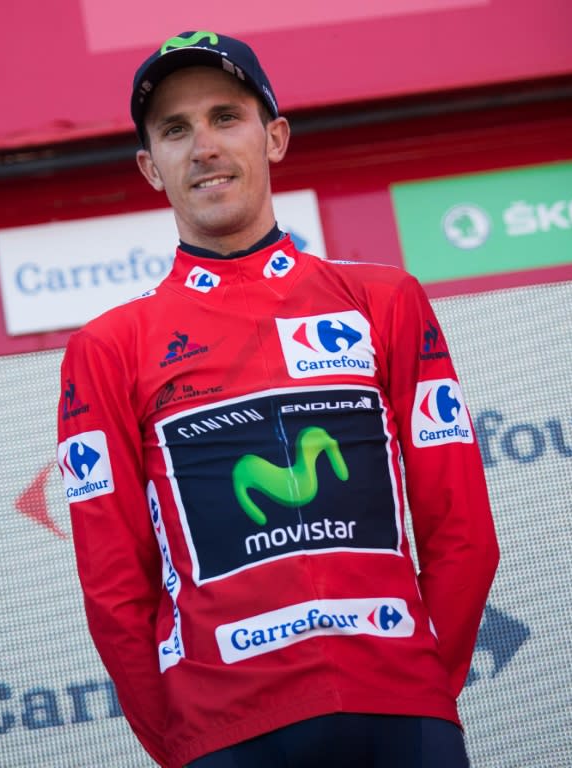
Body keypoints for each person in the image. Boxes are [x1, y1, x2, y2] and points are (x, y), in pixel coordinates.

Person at [56, 30, 499, 768]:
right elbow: (112, 586)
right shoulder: (108, 346)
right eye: (175, 129)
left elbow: (461, 532)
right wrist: (184, 742)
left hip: (399, 713)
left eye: (226, 117)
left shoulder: (383, 300)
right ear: (150, 168)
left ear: (276, 137)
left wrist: (421, 687)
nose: (203, 146)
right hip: (226, 733)